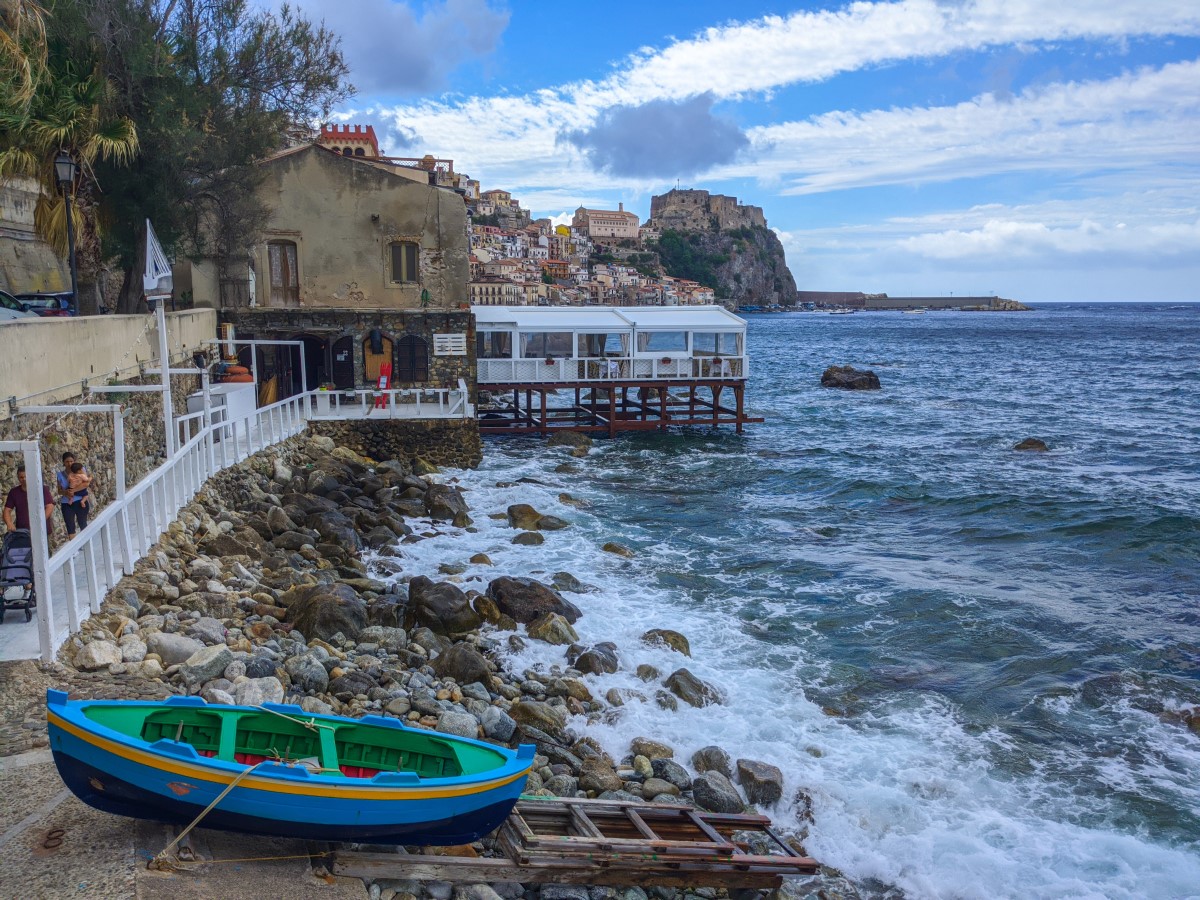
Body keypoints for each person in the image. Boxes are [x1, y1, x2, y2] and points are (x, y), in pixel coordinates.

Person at [3, 463, 55, 535]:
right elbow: (7, 510)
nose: (24, 479)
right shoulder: (13, 492)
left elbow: (50, 506)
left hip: (41, 531)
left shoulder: (41, 489)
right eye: (21, 477)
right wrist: (9, 523)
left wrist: (40, 521)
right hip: (23, 532)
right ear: (18, 478)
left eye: (26, 476)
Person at [57, 452, 92, 538]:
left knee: (82, 523)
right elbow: (59, 491)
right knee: (70, 526)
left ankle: (86, 545)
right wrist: (66, 493)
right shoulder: (60, 475)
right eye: (67, 462)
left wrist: (73, 490)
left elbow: (86, 484)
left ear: (74, 461)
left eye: (71, 461)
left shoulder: (80, 469)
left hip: (80, 501)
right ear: (63, 463)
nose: (69, 464)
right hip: (67, 503)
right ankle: (74, 550)